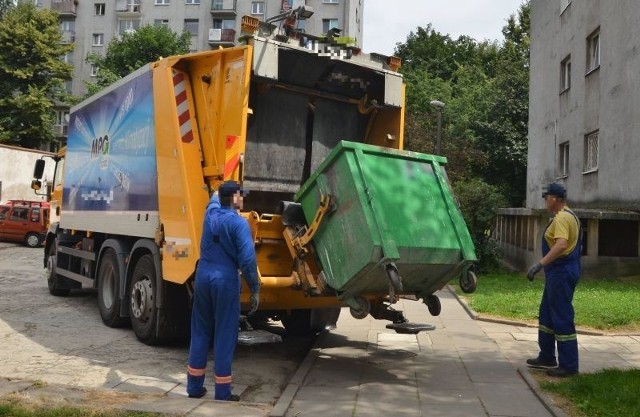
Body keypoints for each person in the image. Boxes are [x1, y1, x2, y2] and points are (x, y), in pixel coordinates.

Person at [187, 181, 261, 400]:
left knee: (200, 331)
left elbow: (214, 198)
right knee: (224, 334)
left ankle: (194, 388)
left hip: (203, 278)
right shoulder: (239, 224)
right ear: (236, 198)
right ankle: (222, 391)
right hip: (226, 281)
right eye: (241, 195)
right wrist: (255, 288)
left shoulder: (209, 215)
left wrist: (220, 187)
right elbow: (247, 261)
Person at [526, 182, 582, 377]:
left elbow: (561, 245)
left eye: (546, 197)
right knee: (547, 315)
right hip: (563, 272)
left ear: (554, 199)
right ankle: (547, 356)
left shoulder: (561, 219)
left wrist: (539, 264)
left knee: (561, 316)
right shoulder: (570, 215)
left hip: (561, 273)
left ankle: (569, 365)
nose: (545, 200)